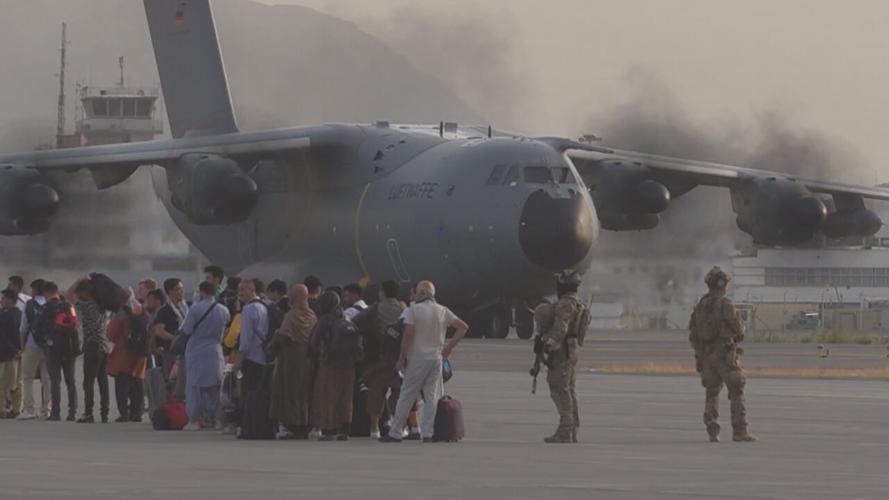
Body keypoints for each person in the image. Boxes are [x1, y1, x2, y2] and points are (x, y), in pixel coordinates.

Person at [380, 281, 468, 443]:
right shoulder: (442, 310)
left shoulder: (412, 310)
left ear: (420, 293)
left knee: (406, 394)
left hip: (417, 358)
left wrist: (401, 358)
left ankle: (396, 431)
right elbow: (463, 327)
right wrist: (449, 347)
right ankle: (428, 433)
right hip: (436, 359)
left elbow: (407, 335)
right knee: (431, 396)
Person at [689, 266, 757, 443]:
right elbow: (738, 329)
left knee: (712, 392)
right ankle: (740, 430)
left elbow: (693, 335)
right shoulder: (726, 304)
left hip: (706, 354)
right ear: (722, 284)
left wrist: (699, 357)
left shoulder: (700, 306)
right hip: (725, 354)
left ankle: (712, 427)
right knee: (736, 388)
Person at [353, 280, 405, 439]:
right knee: (401, 391)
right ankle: (399, 424)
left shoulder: (375, 308)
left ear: (382, 292)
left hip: (378, 357)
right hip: (399, 358)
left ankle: (374, 429)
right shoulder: (404, 308)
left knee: (376, 393)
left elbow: (356, 321)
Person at [538, 271, 584, 444]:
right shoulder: (577, 302)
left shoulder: (566, 304)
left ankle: (565, 429)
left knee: (559, 389)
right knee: (569, 390)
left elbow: (561, 328)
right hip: (571, 351)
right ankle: (572, 428)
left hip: (562, 352)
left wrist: (548, 344)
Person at [267, 284, 317, 439]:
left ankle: (293, 425)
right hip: (308, 359)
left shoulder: (291, 315)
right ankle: (305, 424)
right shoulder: (312, 316)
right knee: (305, 391)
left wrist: (269, 351)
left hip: (291, 359)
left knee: (290, 392)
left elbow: (282, 337)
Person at [181, 281, 230, 431]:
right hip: (215, 350)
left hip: (196, 349)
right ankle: (219, 420)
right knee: (216, 387)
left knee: (195, 387)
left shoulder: (196, 308)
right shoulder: (224, 310)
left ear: (202, 292)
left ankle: (194, 420)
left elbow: (187, 330)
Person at [309, 291, 357, 441]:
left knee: (327, 395)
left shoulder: (325, 320)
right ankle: (345, 429)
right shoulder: (346, 318)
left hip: (329, 362)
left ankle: (329, 430)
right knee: (345, 396)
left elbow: (313, 342)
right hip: (349, 363)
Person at [67, 277, 111, 423]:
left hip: (92, 346)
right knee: (103, 381)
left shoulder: (87, 306)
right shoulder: (103, 306)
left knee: (88, 382)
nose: (78, 296)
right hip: (104, 347)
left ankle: (88, 413)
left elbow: (69, 294)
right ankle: (105, 413)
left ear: (85, 292)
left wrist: (80, 279)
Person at [38, 282, 79, 422]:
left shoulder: (45, 308)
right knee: (71, 381)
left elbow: (38, 329)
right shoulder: (69, 306)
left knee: (55, 381)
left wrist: (44, 344)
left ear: (46, 293)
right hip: (69, 349)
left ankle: (55, 413)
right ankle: (72, 412)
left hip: (52, 349)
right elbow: (75, 325)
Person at [106, 292, 148, 422]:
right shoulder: (142, 309)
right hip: (141, 351)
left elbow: (111, 334)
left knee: (122, 384)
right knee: (137, 383)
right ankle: (137, 412)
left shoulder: (122, 313)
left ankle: (124, 413)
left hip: (123, 352)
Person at [17, 279, 49, 420]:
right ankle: (46, 409)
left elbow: (24, 327)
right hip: (49, 345)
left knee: (27, 378)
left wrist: (22, 345)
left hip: (32, 344)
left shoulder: (29, 304)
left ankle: (29, 409)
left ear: (35, 290)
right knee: (47, 378)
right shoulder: (52, 303)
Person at [151, 278, 188, 376]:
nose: (181, 292)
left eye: (182, 289)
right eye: (178, 289)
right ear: (170, 291)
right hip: (172, 353)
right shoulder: (165, 310)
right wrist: (175, 338)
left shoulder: (186, 308)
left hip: (187, 351)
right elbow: (158, 330)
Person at [0, 289, 23, 419]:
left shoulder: (3, 315)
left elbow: (2, 336)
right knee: (17, 383)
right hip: (18, 353)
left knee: (2, 382)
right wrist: (20, 349)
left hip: (5, 354)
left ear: (9, 300)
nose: (1, 301)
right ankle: (16, 408)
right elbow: (23, 332)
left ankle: (2, 409)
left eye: (3, 298)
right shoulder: (20, 314)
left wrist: (13, 350)